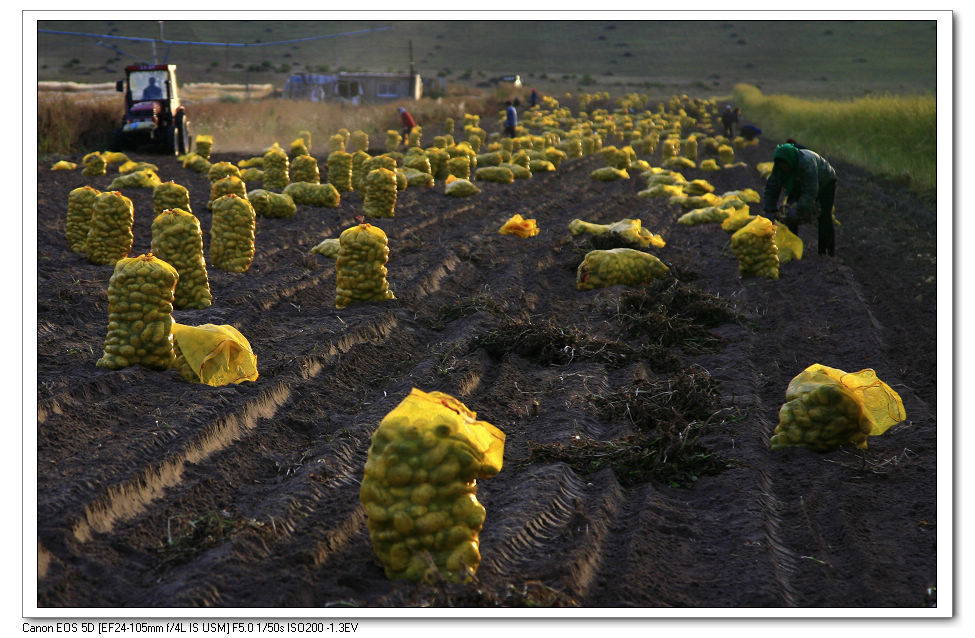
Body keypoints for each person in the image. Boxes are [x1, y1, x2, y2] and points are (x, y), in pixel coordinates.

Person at [762, 142, 838, 256]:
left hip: (825, 181)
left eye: (785, 165)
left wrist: (799, 208)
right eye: (781, 165)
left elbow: (810, 191)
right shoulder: (778, 168)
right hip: (798, 183)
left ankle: (826, 250)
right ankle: (792, 249)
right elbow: (772, 187)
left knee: (824, 215)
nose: (783, 167)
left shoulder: (806, 164)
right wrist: (770, 209)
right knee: (788, 214)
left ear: (790, 161)